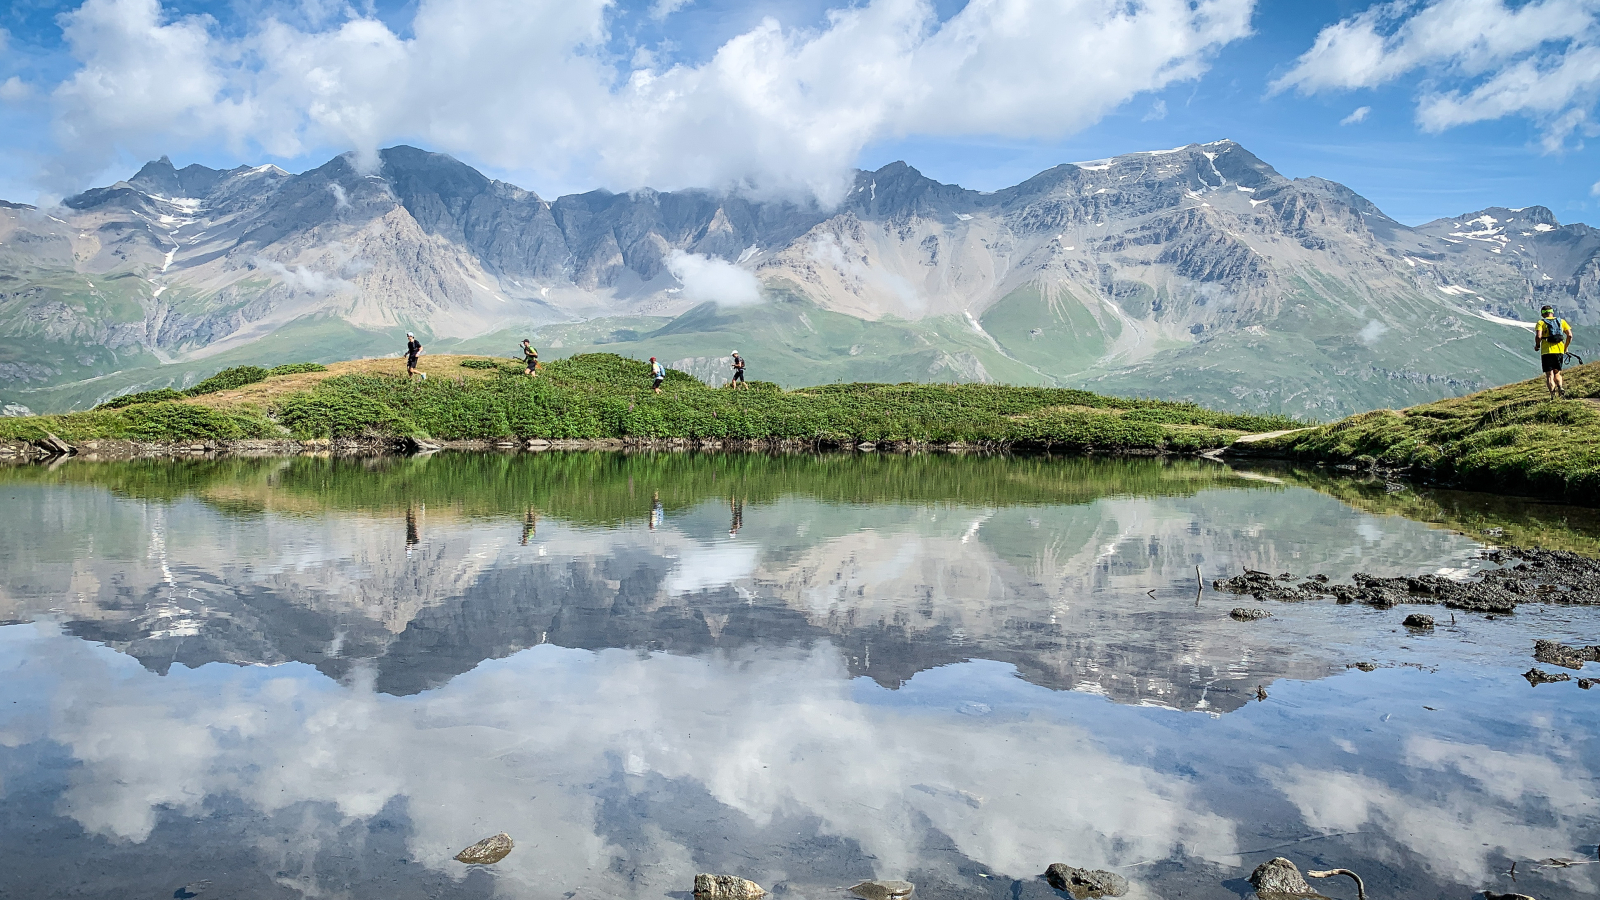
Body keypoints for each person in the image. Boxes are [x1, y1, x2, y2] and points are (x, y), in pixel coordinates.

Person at [1535, 305, 1573, 399]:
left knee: (1549, 375)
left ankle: (1552, 395)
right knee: (1557, 373)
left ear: (1543, 314)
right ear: (1552, 312)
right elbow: (1570, 335)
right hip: (1559, 350)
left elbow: (1539, 336)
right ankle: (1560, 387)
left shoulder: (1541, 322)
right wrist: (1565, 347)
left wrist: (1537, 345)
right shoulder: (1561, 321)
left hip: (1546, 352)